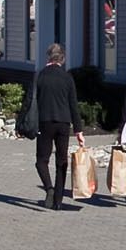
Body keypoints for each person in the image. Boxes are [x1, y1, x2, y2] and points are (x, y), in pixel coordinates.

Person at [31, 43, 84, 209]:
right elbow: (73, 105)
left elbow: (31, 101)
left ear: (48, 57)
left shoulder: (40, 75)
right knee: (62, 161)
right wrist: (78, 130)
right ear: (63, 58)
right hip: (63, 123)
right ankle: (59, 200)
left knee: (42, 160)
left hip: (45, 122)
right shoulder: (67, 77)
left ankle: (49, 188)